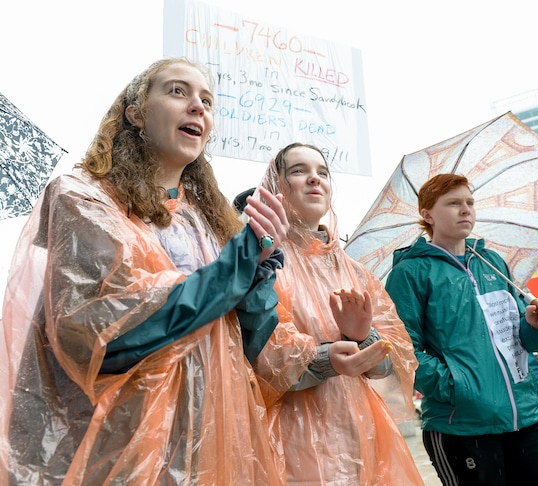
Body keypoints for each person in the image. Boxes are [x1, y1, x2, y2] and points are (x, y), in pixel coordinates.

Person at [0, 58, 290, 485]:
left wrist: (259, 274)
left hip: (201, 453)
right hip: (108, 452)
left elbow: (241, 346)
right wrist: (238, 264)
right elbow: (103, 332)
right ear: (135, 111)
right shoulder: (82, 200)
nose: (198, 107)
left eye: (207, 101)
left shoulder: (211, 226)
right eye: (177, 91)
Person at [251, 142, 424, 485]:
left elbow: (396, 358)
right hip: (292, 441)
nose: (315, 179)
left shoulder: (355, 272)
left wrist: (363, 337)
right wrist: (327, 358)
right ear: (275, 187)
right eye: (299, 171)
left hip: (362, 435)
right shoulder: (262, 264)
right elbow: (260, 357)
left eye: (323, 172)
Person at [384, 173, 538, 485]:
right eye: (453, 203)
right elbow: (403, 352)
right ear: (427, 215)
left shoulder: (492, 261)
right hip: (461, 425)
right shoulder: (411, 273)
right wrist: (460, 388)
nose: (465, 209)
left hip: (524, 416)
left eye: (469, 202)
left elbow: (522, 338)